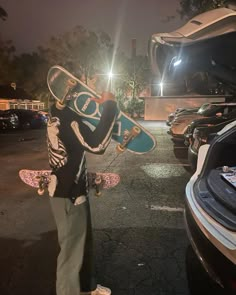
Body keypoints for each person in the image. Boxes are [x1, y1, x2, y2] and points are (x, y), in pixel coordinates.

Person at [46, 90, 117, 295]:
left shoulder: (57, 113)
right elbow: (97, 144)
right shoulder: (68, 118)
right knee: (70, 254)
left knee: (83, 246)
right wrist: (110, 105)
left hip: (75, 191)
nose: (94, 90)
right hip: (68, 195)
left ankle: (87, 288)